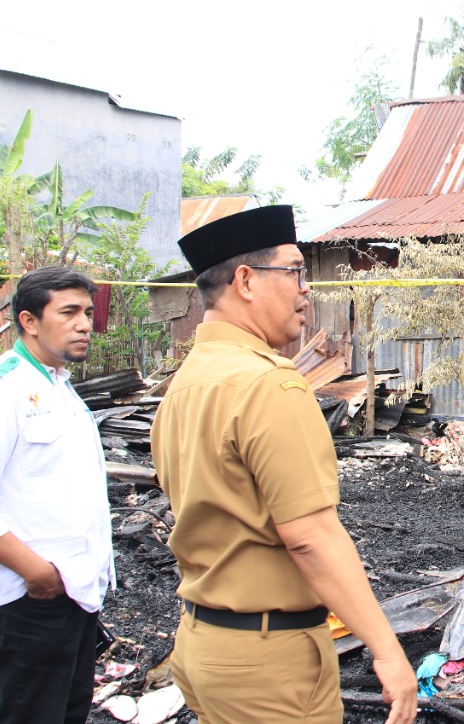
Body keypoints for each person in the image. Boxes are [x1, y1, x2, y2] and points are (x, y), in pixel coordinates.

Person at [150, 204, 417, 724]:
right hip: (269, 664)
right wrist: (385, 648)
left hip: (203, 645)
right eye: (294, 271)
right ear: (246, 281)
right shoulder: (270, 383)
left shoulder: (184, 385)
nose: (306, 288)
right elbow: (309, 536)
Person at [0, 267, 114, 724]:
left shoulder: (57, 386)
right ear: (29, 321)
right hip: (33, 598)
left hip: (76, 592)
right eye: (69, 312)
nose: (85, 324)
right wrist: (38, 575)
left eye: (87, 312)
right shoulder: (0, 391)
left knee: (69, 711)